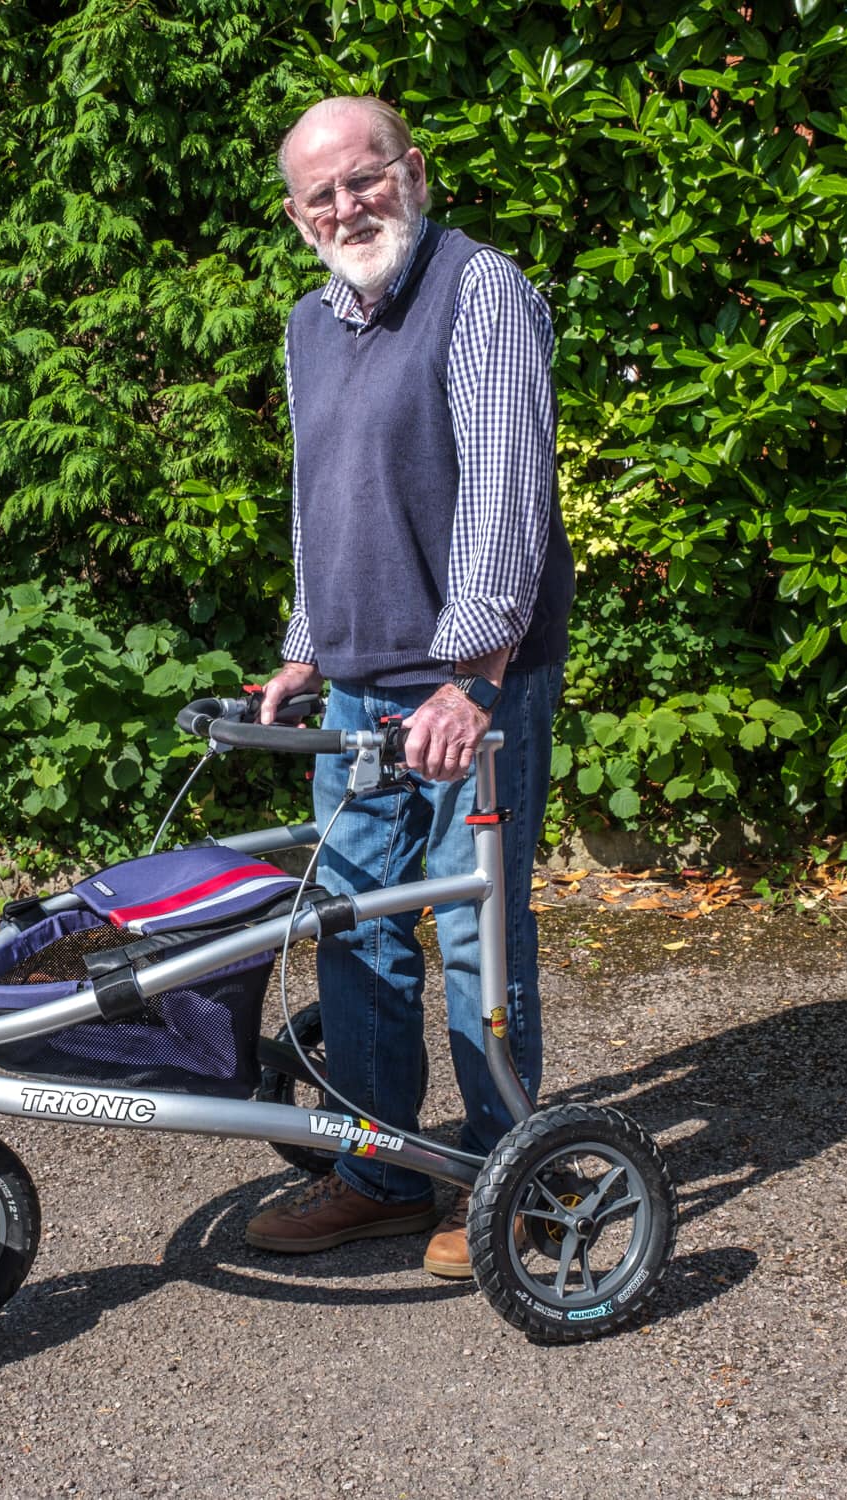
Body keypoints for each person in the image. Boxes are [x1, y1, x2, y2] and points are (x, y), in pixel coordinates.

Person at [245, 96, 574, 1277]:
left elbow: (506, 490)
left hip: (469, 694)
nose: (347, 207)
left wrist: (470, 677)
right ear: (298, 218)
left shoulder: (479, 291)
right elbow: (320, 500)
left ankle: (507, 1179)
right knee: (355, 934)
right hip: (356, 689)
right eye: (320, 194)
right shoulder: (309, 325)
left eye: (364, 177)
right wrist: (306, 641)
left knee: (476, 933)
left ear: (413, 172)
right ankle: (382, 1176)